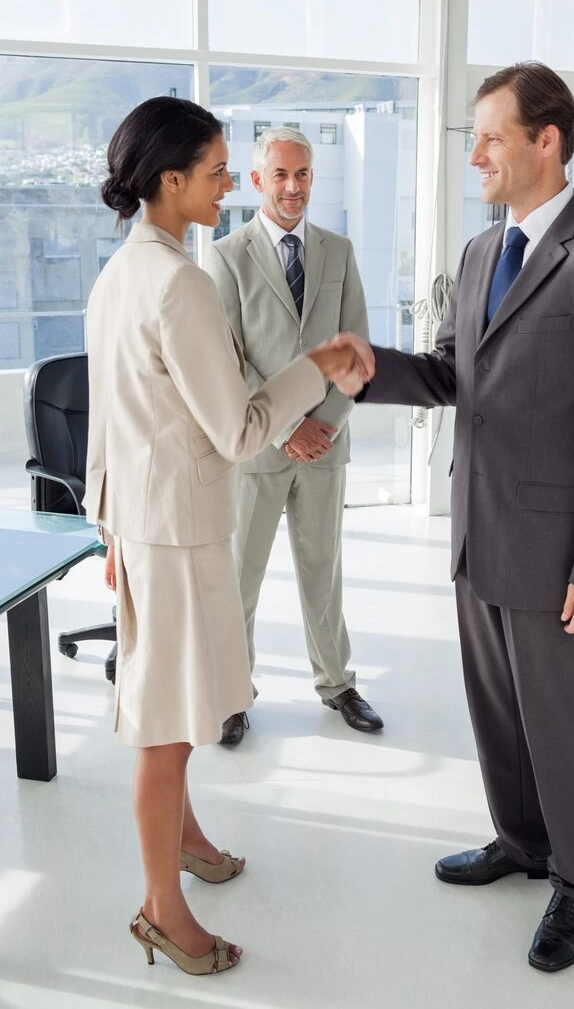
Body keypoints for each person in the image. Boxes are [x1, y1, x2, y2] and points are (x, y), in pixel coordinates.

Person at [334, 62, 574, 973]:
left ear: (546, 142)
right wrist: (374, 368)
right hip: (478, 533)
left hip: (558, 551)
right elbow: (453, 373)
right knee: (494, 711)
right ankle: (522, 845)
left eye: (490, 136)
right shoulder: (485, 252)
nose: (474, 153)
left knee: (559, 719)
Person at [84, 97, 369, 976]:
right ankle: (163, 912)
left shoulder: (121, 271)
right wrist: (316, 366)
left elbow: (108, 422)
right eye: (214, 171)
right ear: (170, 181)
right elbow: (240, 430)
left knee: (177, 706)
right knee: (167, 730)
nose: (226, 186)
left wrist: (108, 531)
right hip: (174, 532)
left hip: (145, 523)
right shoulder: (180, 282)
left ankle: (190, 840)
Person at [207, 126, 383, 743]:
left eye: (302, 174)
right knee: (240, 577)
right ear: (257, 181)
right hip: (259, 446)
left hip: (326, 448)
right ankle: (232, 693)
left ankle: (337, 683)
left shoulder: (338, 252)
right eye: (279, 175)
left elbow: (355, 347)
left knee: (322, 569)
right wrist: (286, 428)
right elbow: (229, 359)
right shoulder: (227, 256)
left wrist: (323, 427)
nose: (292, 187)